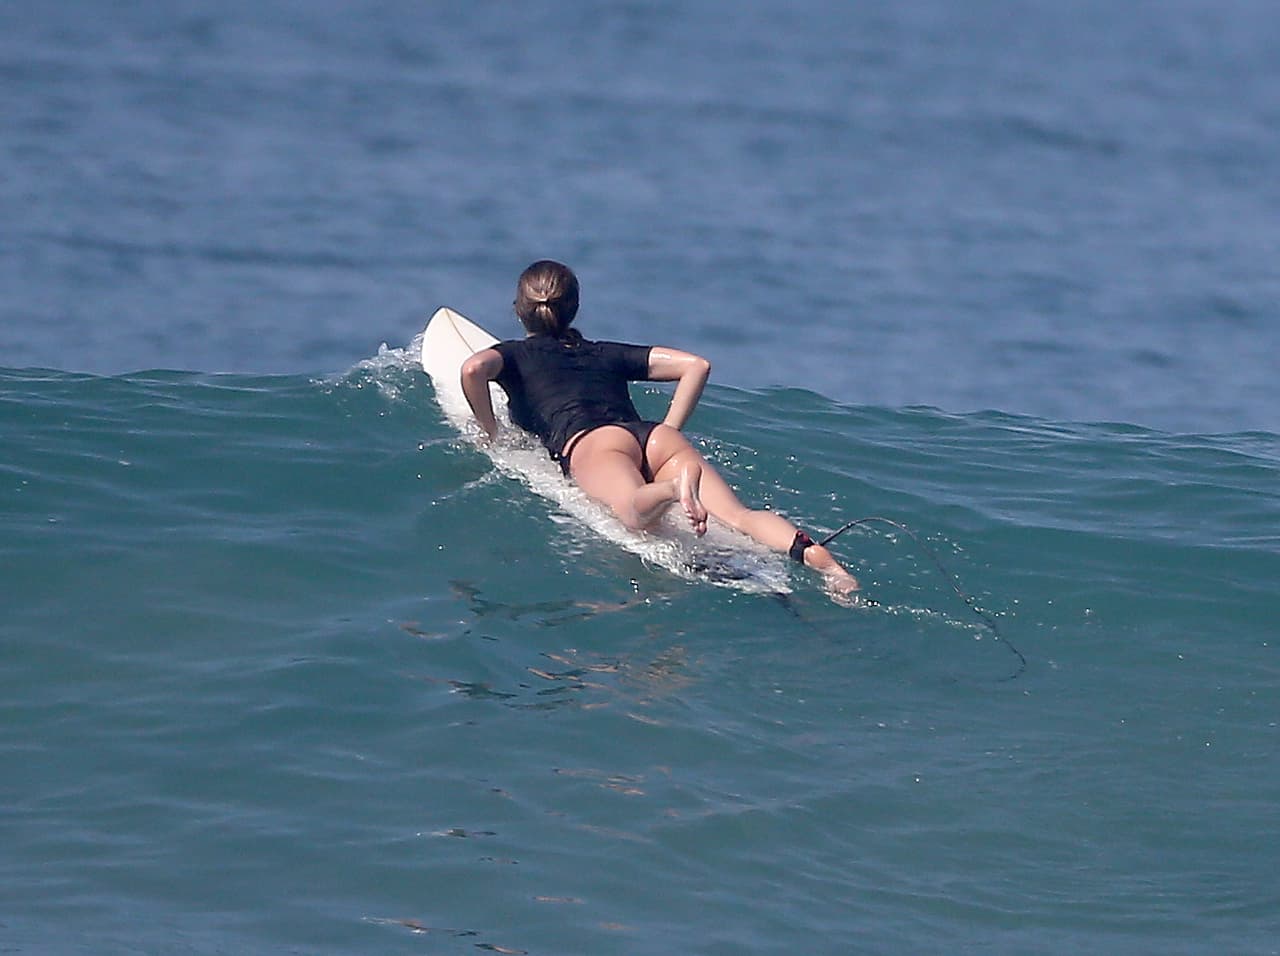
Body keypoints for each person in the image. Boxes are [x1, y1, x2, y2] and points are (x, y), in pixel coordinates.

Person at [460, 260, 859, 599]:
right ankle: (822, 562)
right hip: (651, 435)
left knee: (633, 512)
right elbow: (695, 365)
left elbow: (473, 369)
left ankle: (671, 491)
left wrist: (489, 432)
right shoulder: (603, 351)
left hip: (594, 444)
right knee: (739, 516)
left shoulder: (513, 355)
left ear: (520, 310)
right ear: (574, 308)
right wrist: (668, 430)